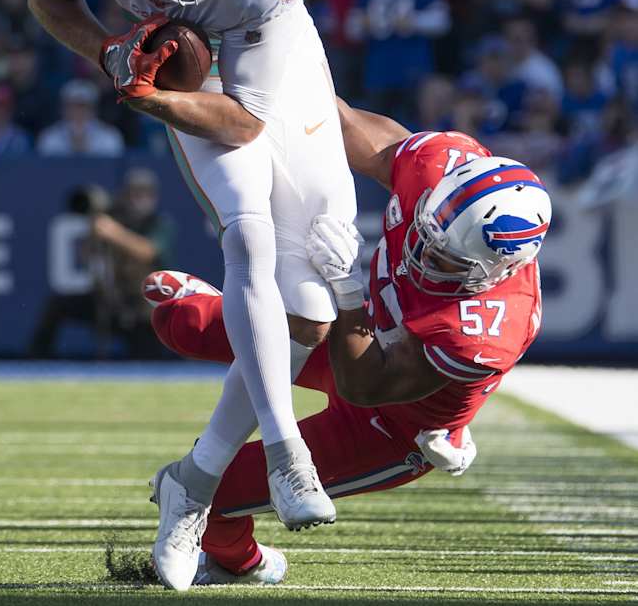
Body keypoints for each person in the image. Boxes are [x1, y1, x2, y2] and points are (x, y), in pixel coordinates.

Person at [26, 0, 357, 589]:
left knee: (310, 313)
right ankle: (285, 453)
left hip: (265, 57)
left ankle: (194, 482)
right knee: (248, 237)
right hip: (191, 81)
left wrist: (152, 94)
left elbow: (244, 120)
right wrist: (109, 50)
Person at [146, 102, 551, 586]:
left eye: (443, 259)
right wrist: (280, 84)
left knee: (218, 499)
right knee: (183, 324)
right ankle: (222, 311)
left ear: (498, 271)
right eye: (426, 231)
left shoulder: (486, 328)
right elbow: (335, 120)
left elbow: (364, 384)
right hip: (366, 331)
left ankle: (247, 564)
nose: (420, 254)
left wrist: (349, 289)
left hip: (395, 416)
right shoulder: (438, 164)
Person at [30, 169, 176, 358]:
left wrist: (113, 232)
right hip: (111, 300)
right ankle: (35, 360)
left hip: (143, 308)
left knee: (146, 357)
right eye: (135, 193)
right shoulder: (117, 218)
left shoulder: (159, 223)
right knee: (57, 304)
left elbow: (147, 251)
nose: (140, 199)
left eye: (145, 193)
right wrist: (95, 230)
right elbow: (86, 257)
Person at [36, 79, 124, 156]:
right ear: (63, 109)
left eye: (83, 107)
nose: (78, 112)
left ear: (94, 109)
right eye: (72, 106)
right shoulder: (49, 137)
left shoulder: (109, 137)